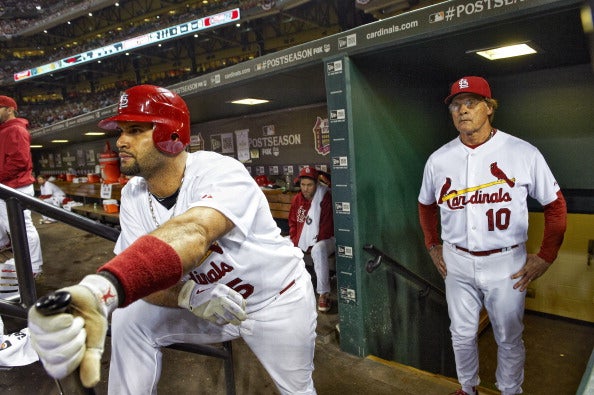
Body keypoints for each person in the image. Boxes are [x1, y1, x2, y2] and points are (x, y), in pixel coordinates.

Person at [28, 85, 318, 394]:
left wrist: (102, 289)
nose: (120, 141)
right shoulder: (133, 194)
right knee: (130, 317)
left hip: (275, 301)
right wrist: (187, 296)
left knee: (297, 391)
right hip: (207, 305)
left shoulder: (219, 172)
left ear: (171, 135)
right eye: (121, 131)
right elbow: (142, 282)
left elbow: (195, 232)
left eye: (135, 130)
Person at [417, 76, 567, 395]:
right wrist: (432, 245)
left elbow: (556, 206)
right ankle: (467, 388)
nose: (463, 111)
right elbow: (425, 205)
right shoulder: (439, 159)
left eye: (471, 103)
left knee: (509, 336)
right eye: (456, 105)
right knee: (461, 333)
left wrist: (546, 256)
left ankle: (511, 391)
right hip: (456, 260)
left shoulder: (522, 152)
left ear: (489, 108)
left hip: (506, 262)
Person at [0, 95, 43, 276]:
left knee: (23, 227)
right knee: (8, 226)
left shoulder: (16, 129)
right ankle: (15, 257)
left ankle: (34, 266)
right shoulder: (4, 130)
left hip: (16, 186)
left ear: (9, 109)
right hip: (6, 184)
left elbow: (19, 162)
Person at [288, 166, 335, 312]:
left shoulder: (324, 197)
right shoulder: (297, 199)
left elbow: (326, 228)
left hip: (328, 239)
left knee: (318, 249)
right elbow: (292, 223)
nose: (305, 188)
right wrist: (296, 242)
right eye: (303, 184)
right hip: (304, 239)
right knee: (282, 245)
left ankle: (323, 294)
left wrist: (308, 244)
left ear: (316, 184)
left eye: (309, 185)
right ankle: (290, 287)